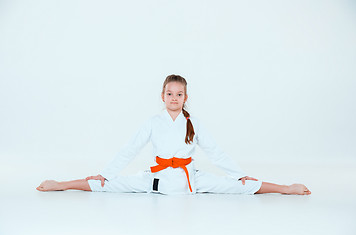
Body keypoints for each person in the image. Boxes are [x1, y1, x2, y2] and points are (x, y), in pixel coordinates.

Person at [36, 74, 311, 195]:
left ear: (185, 97)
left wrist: (239, 174)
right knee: (105, 185)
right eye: (170, 93)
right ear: (162, 95)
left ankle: (285, 188)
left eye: (179, 94)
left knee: (240, 187)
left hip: (190, 179)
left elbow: (215, 151)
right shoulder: (153, 122)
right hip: (155, 179)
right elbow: (130, 149)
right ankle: (61, 184)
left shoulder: (193, 122)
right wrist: (105, 174)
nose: (174, 97)